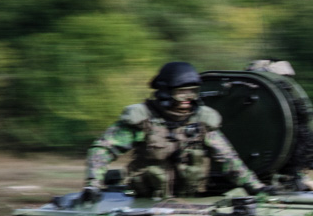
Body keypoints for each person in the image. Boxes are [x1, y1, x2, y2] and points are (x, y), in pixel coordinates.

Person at [81, 62, 266, 201]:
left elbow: (228, 159)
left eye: (192, 92)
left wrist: (256, 187)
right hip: (146, 202)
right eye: (181, 93)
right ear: (164, 93)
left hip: (188, 202)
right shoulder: (142, 120)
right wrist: (93, 185)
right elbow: (102, 150)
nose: (188, 98)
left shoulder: (201, 122)